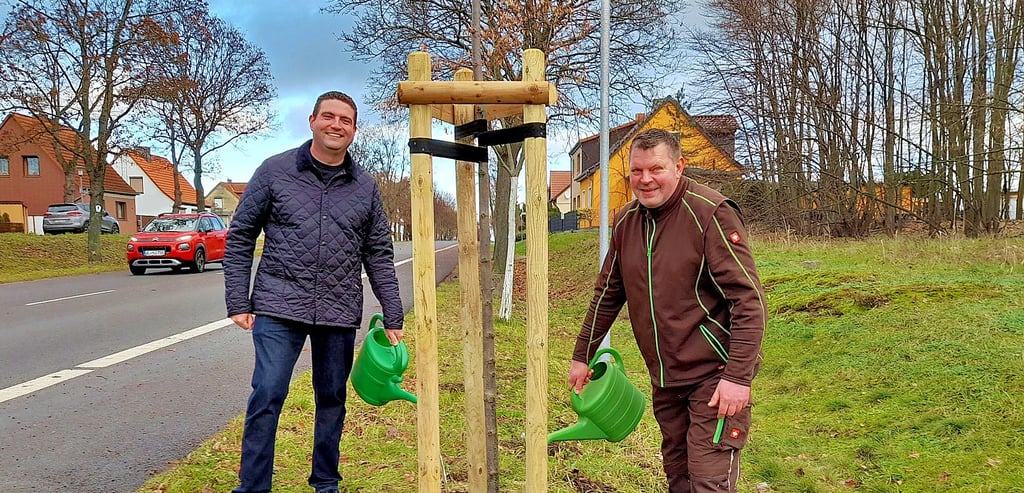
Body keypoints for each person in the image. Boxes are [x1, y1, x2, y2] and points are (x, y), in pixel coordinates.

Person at [224, 91, 404, 493]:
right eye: (328, 116)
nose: (335, 125)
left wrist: (393, 311)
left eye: (345, 120)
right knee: (267, 392)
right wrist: (238, 299)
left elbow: (378, 252)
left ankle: (326, 482)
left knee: (332, 400)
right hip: (277, 303)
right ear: (312, 120)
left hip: (338, 308)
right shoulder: (274, 171)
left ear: (354, 130)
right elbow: (240, 237)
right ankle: (253, 487)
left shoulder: (366, 187)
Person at [567, 128, 766, 493]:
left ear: (679, 166)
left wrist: (738, 376)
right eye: (637, 171)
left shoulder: (711, 214)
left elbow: (748, 299)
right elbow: (608, 293)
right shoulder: (627, 222)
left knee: (709, 480)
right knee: (679, 477)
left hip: (715, 375)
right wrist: (582, 355)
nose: (645, 180)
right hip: (665, 378)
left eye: (655, 169)